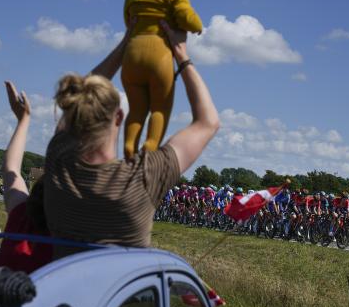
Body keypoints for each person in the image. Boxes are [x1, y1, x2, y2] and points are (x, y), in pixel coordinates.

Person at [43, 20, 219, 254]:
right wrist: (181, 54)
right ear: (119, 117)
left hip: (64, 288)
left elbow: (74, 104)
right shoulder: (141, 177)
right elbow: (208, 122)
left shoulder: (59, 163)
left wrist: (125, 43)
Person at [121, 0, 203, 159]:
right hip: (160, 58)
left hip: (132, 57)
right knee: (160, 107)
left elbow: (129, 22)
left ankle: (129, 147)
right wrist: (198, 27)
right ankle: (150, 147)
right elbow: (189, 19)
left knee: (137, 109)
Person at [0, 80, 51, 273]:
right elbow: (11, 170)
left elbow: (11, 169)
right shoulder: (73, 242)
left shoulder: (21, 219)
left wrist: (23, 119)